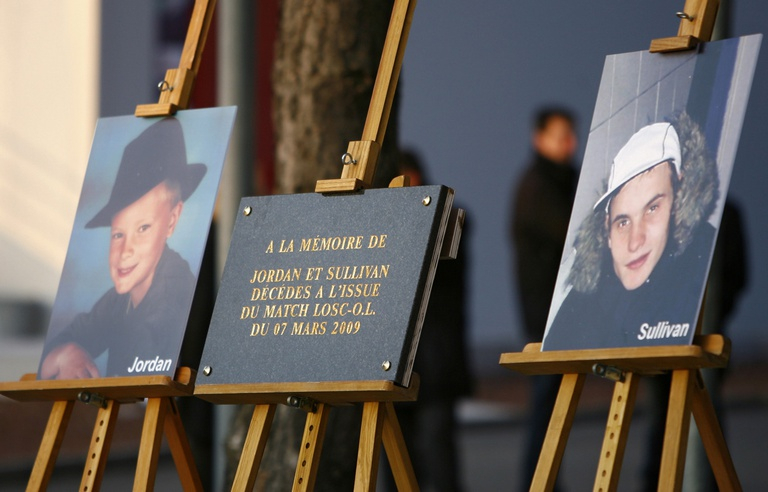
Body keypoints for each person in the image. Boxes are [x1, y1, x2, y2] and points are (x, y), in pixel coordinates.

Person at [39, 118, 206, 379]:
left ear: (172, 221)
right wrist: (65, 352)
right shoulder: (120, 300)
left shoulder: (174, 290)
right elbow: (67, 341)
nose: (125, 250)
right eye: (118, 234)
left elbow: (147, 357)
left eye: (143, 229)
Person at [543, 112, 719, 351]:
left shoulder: (704, 257)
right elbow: (558, 348)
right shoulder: (591, 287)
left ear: (678, 199)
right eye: (623, 222)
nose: (635, 242)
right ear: (607, 228)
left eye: (652, 209)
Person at [510, 107, 578, 490]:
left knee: (551, 409)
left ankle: (543, 482)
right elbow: (570, 236)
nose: (570, 144)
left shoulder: (558, 181)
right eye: (561, 136)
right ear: (539, 139)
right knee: (547, 409)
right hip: (547, 318)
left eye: (571, 135)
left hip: (552, 315)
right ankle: (540, 484)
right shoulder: (538, 187)